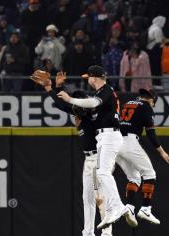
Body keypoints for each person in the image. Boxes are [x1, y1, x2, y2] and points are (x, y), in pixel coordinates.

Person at [30, 70, 113, 236]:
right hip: (89, 159)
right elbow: (64, 105)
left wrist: (52, 88)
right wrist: (54, 87)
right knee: (87, 198)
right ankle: (88, 232)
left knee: (100, 197)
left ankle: (106, 233)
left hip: (99, 158)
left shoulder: (90, 113)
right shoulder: (81, 114)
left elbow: (64, 105)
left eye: (79, 101)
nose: (76, 105)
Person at [57, 65, 136, 230]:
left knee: (102, 175)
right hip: (104, 138)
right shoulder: (101, 94)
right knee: (99, 181)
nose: (88, 80)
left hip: (109, 135)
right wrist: (56, 89)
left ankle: (118, 207)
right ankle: (118, 209)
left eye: (89, 77)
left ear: (95, 77)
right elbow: (77, 106)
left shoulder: (105, 91)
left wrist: (70, 98)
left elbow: (92, 102)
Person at [116, 88, 169, 225]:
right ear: (152, 99)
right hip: (129, 141)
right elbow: (150, 133)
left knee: (134, 177)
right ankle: (146, 208)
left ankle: (129, 207)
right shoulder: (146, 106)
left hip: (115, 142)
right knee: (150, 174)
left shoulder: (127, 103)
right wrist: (162, 152)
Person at [146, 16, 166, 85]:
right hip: (155, 52)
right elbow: (159, 42)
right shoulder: (158, 29)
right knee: (156, 69)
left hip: (149, 50)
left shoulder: (151, 27)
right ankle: (157, 83)